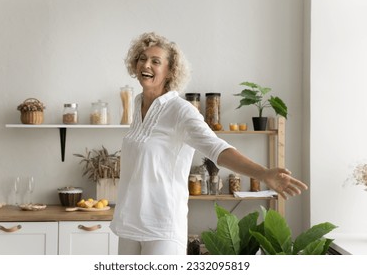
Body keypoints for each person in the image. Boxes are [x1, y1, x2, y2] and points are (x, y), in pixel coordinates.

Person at [110, 32, 308, 255]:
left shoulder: (180, 110)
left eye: (156, 61)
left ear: (169, 71)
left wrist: (263, 174)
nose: (146, 64)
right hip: (128, 223)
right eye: (142, 58)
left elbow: (217, 148)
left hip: (161, 227)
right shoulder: (137, 105)